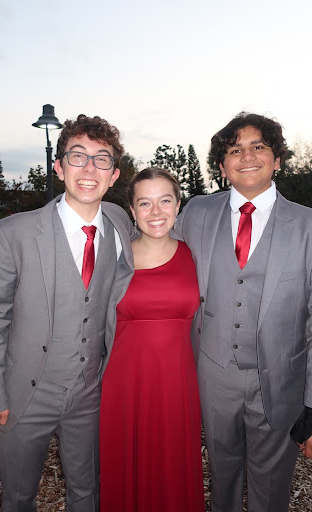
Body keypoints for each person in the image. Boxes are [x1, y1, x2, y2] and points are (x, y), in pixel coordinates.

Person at [0, 114, 134, 512]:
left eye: (102, 159)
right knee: (17, 496)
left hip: (89, 390)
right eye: (77, 156)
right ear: (59, 166)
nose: (89, 168)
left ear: (114, 175)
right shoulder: (14, 233)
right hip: (24, 391)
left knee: (87, 492)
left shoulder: (119, 223)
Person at [175, 112, 312, 511]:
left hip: (280, 384)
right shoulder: (196, 212)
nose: (247, 156)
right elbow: (156, 259)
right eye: (235, 149)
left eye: (259, 147)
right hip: (212, 376)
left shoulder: (308, 226)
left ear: (278, 159)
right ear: (222, 166)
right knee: (223, 478)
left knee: (271, 493)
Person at [99, 167, 205, 512]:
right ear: (132, 210)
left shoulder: (198, 257)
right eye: (145, 203)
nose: (156, 212)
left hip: (178, 382)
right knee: (126, 467)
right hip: (124, 384)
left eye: (165, 201)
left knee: (174, 467)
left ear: (178, 205)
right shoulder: (114, 258)